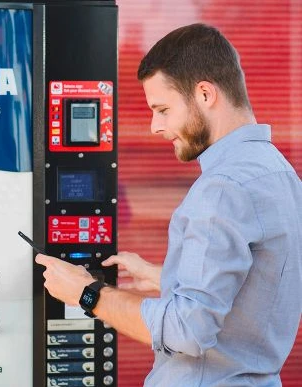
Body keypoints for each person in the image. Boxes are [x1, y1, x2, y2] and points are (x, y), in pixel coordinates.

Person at [36, 23, 301, 386]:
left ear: (205, 94)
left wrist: (87, 293)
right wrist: (167, 278)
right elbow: (255, 292)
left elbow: (187, 330)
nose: (153, 127)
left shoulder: (223, 188)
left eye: (162, 109)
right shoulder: (280, 174)